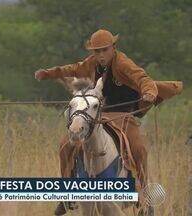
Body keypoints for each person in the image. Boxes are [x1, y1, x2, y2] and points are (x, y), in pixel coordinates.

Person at [35, 29, 182, 215]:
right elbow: (72, 68)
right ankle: (67, 195)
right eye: (97, 51)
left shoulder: (123, 63)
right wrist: (48, 74)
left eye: (104, 50)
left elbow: (142, 78)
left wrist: (150, 93)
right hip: (98, 114)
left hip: (124, 115)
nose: (101, 55)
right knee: (65, 144)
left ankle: (145, 198)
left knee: (139, 148)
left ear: (113, 47)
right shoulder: (91, 63)